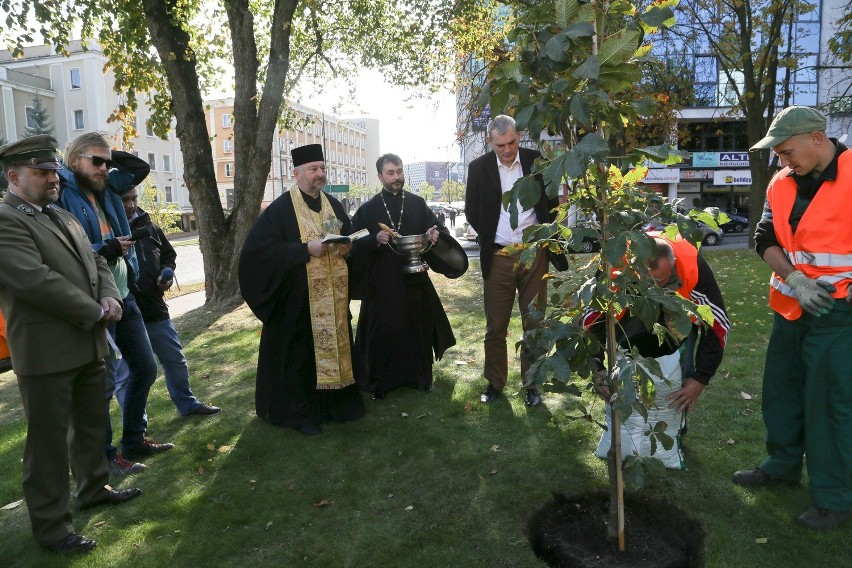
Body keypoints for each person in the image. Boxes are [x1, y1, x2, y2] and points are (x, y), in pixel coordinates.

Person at [0, 136, 141, 554]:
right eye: (41, 173)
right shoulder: (8, 219)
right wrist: (95, 311)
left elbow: (95, 259)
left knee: (91, 427)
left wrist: (109, 295)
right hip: (47, 351)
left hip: (86, 342)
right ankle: (52, 528)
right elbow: (35, 280)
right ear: (14, 177)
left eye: (51, 171)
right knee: (47, 444)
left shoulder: (59, 214)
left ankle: (93, 488)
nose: (51, 178)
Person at [732, 106, 852, 531]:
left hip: (839, 314)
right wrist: (795, 278)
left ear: (816, 138)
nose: (782, 162)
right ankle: (781, 466)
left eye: (786, 152)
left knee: (829, 404)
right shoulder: (781, 184)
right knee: (780, 391)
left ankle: (834, 497)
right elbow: (764, 238)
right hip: (791, 305)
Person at [58, 132, 174, 464]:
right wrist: (104, 249)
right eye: (97, 161)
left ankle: (133, 441)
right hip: (94, 301)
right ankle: (105, 458)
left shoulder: (106, 186)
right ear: (75, 159)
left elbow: (138, 169)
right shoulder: (63, 193)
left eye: (108, 162)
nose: (105, 168)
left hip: (125, 295)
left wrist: (106, 157)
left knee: (145, 368)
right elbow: (65, 251)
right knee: (101, 385)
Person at [239, 143, 365, 435]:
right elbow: (259, 253)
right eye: (313, 169)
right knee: (301, 359)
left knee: (338, 349)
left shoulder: (333, 203)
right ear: (296, 173)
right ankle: (301, 414)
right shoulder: (281, 208)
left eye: (322, 168)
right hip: (297, 304)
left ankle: (338, 406)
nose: (319, 174)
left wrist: (348, 249)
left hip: (333, 301)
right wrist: (304, 249)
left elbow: (347, 241)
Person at [587, 235, 729, 468]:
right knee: (627, 362)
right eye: (650, 281)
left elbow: (717, 324)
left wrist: (701, 378)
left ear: (673, 263)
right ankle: (626, 431)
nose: (657, 288)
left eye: (663, 280)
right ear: (634, 267)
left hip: (680, 317)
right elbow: (594, 319)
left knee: (681, 369)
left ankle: (673, 429)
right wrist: (597, 367)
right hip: (631, 308)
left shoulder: (693, 266)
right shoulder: (615, 265)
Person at [464, 114, 567, 406]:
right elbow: (472, 210)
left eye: (511, 142)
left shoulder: (537, 163)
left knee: (534, 322)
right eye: (500, 145)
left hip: (535, 255)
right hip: (498, 256)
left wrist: (544, 241)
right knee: (495, 326)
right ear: (490, 142)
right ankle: (495, 383)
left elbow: (551, 204)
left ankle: (532, 384)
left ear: (519, 136)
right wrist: (491, 234)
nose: (507, 150)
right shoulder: (479, 168)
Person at [349, 153, 460, 399]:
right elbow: (352, 240)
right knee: (383, 332)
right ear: (380, 176)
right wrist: (373, 239)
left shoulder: (417, 203)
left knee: (417, 329)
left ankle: (419, 378)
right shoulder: (368, 209)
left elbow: (437, 229)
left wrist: (434, 234)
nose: (397, 177)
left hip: (414, 279)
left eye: (399, 171)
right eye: (390, 173)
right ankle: (381, 382)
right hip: (382, 282)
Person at [121, 186, 220, 417]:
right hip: (125, 313)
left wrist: (165, 272)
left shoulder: (150, 227)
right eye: (125, 199)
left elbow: (168, 255)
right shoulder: (107, 228)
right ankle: (135, 429)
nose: (131, 204)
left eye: (134, 198)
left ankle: (188, 405)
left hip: (154, 308)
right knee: (132, 374)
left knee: (175, 360)